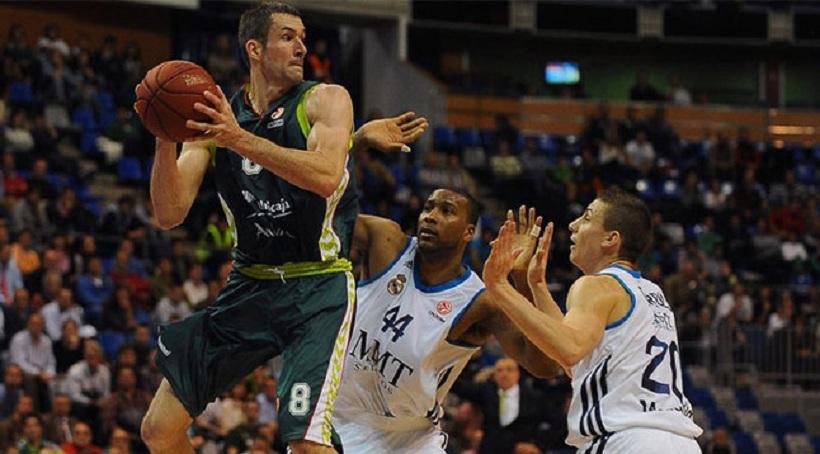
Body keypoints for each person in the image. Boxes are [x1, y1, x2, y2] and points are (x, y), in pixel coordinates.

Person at [138, 3, 427, 454]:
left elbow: (325, 175)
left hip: (316, 287)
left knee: (305, 443)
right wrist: (164, 134)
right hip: (250, 283)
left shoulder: (326, 100)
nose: (302, 48)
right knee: (158, 429)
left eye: (303, 37)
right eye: (288, 37)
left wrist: (237, 138)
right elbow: (169, 213)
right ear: (254, 49)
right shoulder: (218, 117)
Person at [333, 191, 558, 453]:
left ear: (468, 232)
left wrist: (522, 278)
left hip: (408, 438)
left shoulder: (478, 302)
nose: (431, 217)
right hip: (336, 413)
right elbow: (324, 217)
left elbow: (546, 367)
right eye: (428, 208)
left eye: (447, 211)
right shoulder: (387, 242)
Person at [482, 187, 702, 452]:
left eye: (586, 218)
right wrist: (536, 285)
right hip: (679, 442)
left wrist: (499, 286)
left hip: (627, 440)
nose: (573, 225)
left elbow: (570, 348)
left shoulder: (596, 285)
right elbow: (579, 362)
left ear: (611, 239)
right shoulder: (651, 292)